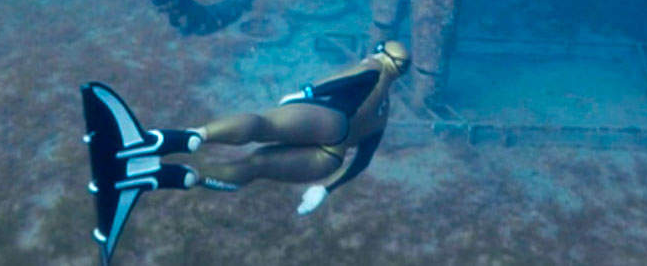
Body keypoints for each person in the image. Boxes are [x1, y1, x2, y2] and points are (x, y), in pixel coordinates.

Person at [79, 40, 410, 265]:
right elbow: (362, 160)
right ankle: (165, 176)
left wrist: (306, 93)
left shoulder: (374, 67)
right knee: (255, 167)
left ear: (382, 54)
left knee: (264, 125)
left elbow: (347, 81)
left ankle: (179, 140)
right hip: (331, 157)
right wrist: (325, 189)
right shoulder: (385, 113)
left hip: (333, 120)